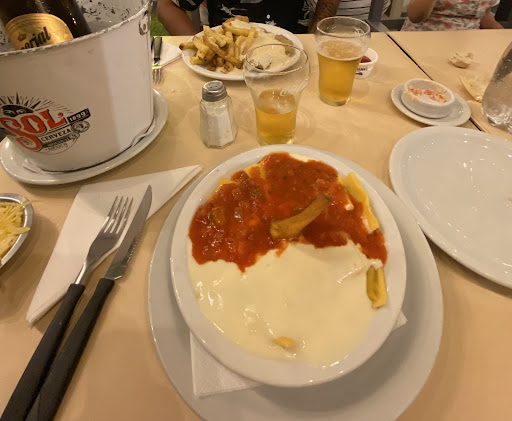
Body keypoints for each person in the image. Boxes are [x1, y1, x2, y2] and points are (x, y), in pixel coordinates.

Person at [156, 0, 343, 35]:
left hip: (293, 56)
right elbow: (166, 5)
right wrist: (198, 48)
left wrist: (315, 35)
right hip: (228, 65)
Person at [402, 0, 504, 30]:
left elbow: (482, 13)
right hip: (425, 39)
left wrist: (504, 37)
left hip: (470, 46)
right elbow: (415, 16)